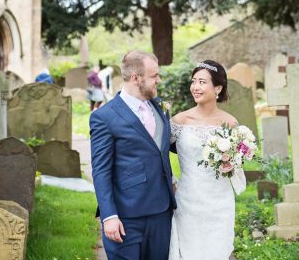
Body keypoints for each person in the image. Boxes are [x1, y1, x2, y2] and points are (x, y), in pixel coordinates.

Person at [90, 51, 176, 260]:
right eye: (154, 75)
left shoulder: (160, 107)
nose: (159, 80)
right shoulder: (104, 117)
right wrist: (109, 216)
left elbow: (165, 147)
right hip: (126, 216)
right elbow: (101, 170)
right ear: (136, 78)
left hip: (161, 212)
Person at [169, 60, 245, 260]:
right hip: (188, 200)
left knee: (218, 250)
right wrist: (171, 180)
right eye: (194, 81)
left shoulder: (230, 123)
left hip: (220, 202)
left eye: (202, 82)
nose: (195, 87)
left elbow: (236, 164)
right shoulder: (179, 121)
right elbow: (157, 156)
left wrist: (231, 163)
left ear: (217, 88)